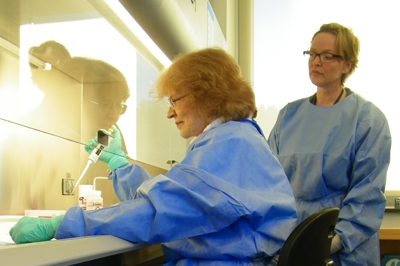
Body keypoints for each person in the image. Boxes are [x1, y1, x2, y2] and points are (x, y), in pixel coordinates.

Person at [10, 48, 298, 265]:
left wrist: (64, 223)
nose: (169, 112)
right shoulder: (233, 137)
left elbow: (159, 212)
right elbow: (174, 202)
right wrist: (120, 166)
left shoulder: (230, 143)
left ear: (209, 95)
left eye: (175, 100)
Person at [267, 23, 391, 265]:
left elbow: (367, 195)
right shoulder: (288, 116)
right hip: (291, 241)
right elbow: (268, 180)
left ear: (348, 64)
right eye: (312, 54)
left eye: (327, 56)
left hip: (345, 248)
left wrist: (329, 243)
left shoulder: (367, 119)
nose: (316, 61)